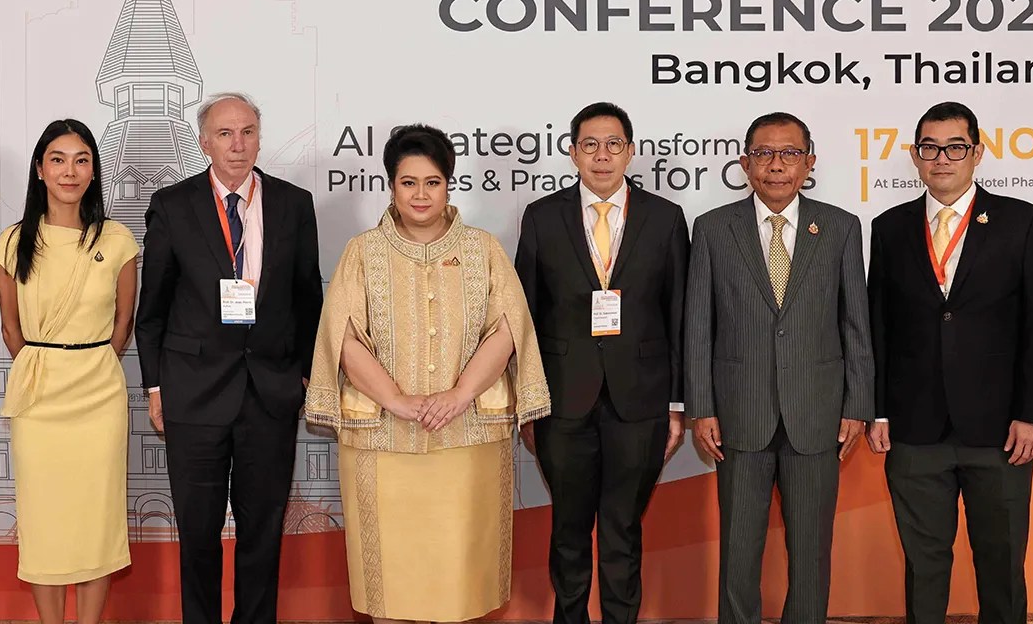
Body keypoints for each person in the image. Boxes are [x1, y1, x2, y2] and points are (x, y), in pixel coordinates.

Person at [305, 124, 550, 623]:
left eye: (433, 182)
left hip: (467, 438)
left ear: (449, 185)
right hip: (382, 438)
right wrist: (396, 400)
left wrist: (460, 394)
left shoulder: (483, 249)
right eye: (409, 182)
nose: (421, 194)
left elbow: (507, 330)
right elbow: (344, 339)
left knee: (459, 581)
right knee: (391, 582)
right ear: (391, 186)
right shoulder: (362, 251)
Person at [866, 101, 1033, 624]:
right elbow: (878, 327)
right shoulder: (888, 228)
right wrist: (878, 410)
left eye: (955, 147)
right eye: (930, 148)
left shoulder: (1024, 222)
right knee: (924, 566)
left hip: (1000, 431)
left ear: (976, 152)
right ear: (915, 156)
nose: (941, 159)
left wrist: (1032, 413)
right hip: (914, 429)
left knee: (1001, 564)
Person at [135, 92, 324, 624]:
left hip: (270, 392)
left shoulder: (293, 203)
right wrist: (155, 388)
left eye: (247, 132)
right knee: (198, 534)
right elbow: (152, 309)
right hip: (193, 393)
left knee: (262, 532)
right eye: (225, 134)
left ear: (259, 138)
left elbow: (308, 297)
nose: (237, 144)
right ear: (204, 142)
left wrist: (304, 374)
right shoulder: (173, 205)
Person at [684, 112, 874, 624]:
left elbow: (855, 323)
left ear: (809, 163)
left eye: (789, 153)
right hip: (739, 415)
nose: (776, 165)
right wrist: (702, 407)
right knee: (738, 551)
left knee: (811, 552)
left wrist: (858, 405)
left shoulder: (839, 227)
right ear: (745, 163)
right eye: (763, 154)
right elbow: (698, 326)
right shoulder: (713, 229)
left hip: (817, 414)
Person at [513, 102, 688, 624]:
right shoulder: (542, 216)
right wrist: (528, 402)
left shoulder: (665, 217)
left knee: (622, 530)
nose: (602, 156)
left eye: (613, 144)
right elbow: (524, 314)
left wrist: (677, 404)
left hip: (641, 400)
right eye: (590, 145)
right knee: (568, 529)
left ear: (630, 152)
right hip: (563, 401)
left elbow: (679, 314)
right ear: (573, 153)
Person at [0, 119, 139, 624]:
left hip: (99, 394)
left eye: (81, 160)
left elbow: (123, 324)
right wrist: (48, 361)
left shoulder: (117, 240)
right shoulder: (13, 242)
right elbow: (10, 329)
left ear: (93, 171)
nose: (69, 171)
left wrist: (89, 358)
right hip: (39, 396)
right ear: (40, 169)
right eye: (57, 159)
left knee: (97, 519)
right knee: (45, 519)